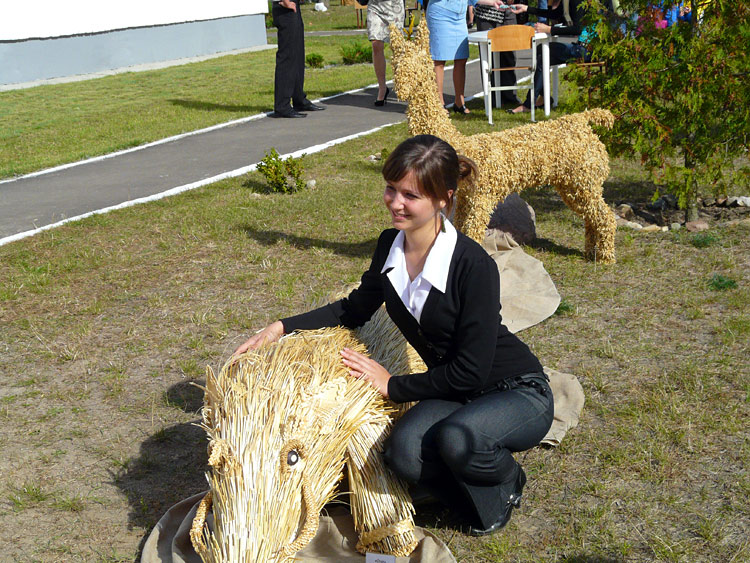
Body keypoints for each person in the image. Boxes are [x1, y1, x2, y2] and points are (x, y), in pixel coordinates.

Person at [234, 134, 554, 536]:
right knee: (402, 454)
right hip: (456, 394)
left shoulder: (473, 265)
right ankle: (474, 478)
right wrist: (281, 326)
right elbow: (352, 309)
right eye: (391, 188)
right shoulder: (389, 245)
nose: (395, 202)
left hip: (516, 390)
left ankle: (507, 477)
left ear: (443, 199)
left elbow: (471, 371)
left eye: (410, 195)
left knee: (458, 439)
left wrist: (392, 385)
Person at [508, 0, 591, 114]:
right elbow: (555, 14)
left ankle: (533, 102)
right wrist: (526, 8)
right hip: (583, 48)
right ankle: (539, 99)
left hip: (587, 51)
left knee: (542, 52)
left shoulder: (576, 1)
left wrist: (549, 29)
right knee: (542, 54)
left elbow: (577, 29)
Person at [425, 0, 506, 114]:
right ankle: (439, 104)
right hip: (440, 14)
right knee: (439, 60)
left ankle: (459, 102)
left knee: (461, 58)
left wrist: (492, 2)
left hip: (460, 17)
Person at [270, 0, 326, 118]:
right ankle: (282, 106)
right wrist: (285, 1)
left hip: (292, 6)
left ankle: (299, 99)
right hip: (285, 7)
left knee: (297, 56)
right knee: (287, 57)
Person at [473, 2, 521, 106]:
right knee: (489, 58)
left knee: (509, 56)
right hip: (486, 14)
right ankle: (492, 98)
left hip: (508, 12)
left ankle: (510, 96)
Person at [367, 0, 405, 106]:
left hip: (394, 5)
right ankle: (382, 88)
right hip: (375, 5)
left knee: (397, 46)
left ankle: (403, 82)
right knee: (376, 44)